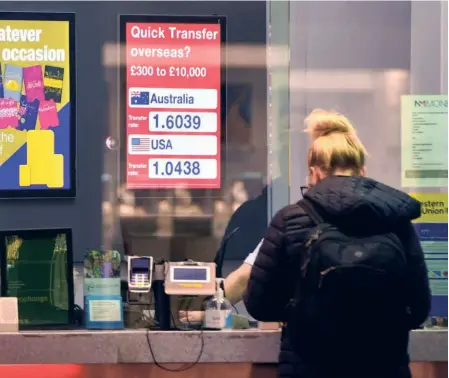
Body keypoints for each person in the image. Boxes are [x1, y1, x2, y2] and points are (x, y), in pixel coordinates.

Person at [243, 109, 431, 378]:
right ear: (362, 170)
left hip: (309, 368)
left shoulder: (291, 219)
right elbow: (419, 308)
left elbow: (260, 305)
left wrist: (303, 308)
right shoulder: (396, 221)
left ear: (315, 172)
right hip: (383, 367)